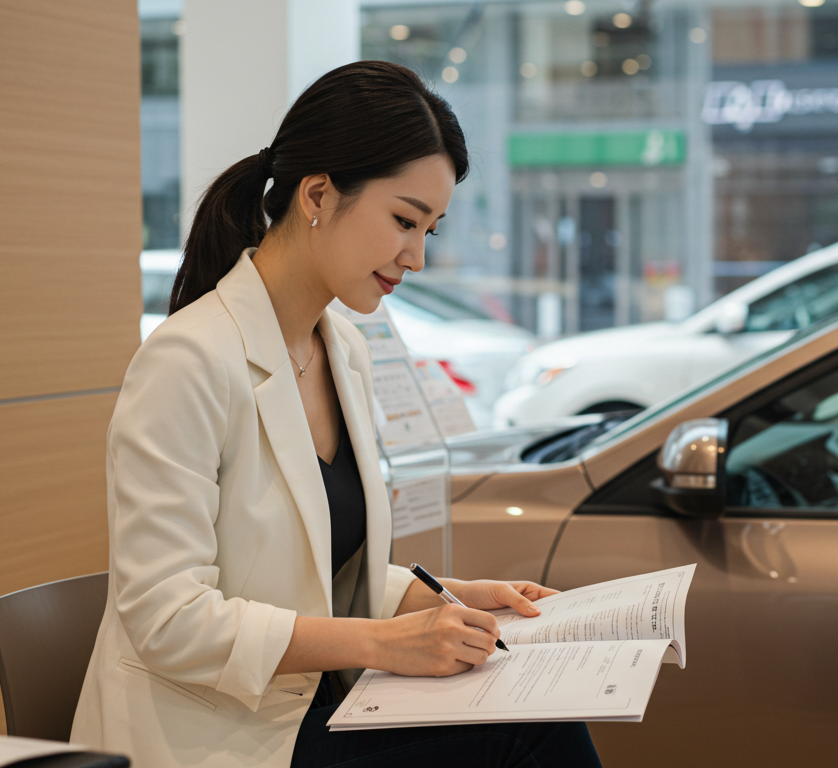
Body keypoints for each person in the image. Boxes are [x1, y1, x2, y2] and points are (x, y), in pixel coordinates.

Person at [69, 61, 603, 768]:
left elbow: (318, 577)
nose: (415, 257)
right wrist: (384, 643)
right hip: (212, 736)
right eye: (404, 221)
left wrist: (444, 598)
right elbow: (168, 620)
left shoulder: (342, 348)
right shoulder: (187, 361)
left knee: (538, 708)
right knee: (529, 732)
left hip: (312, 707)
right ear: (318, 193)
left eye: (430, 231)